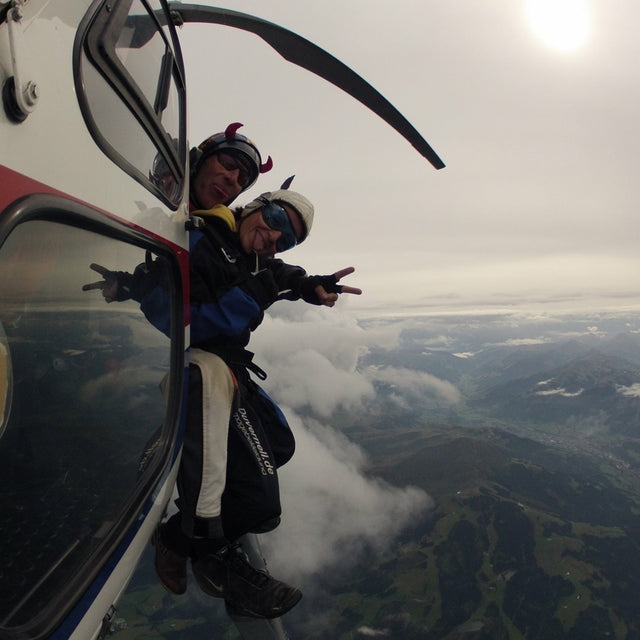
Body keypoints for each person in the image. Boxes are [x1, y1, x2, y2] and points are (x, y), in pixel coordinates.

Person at [84, 125, 361, 619]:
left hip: (229, 370)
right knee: (259, 507)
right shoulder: (196, 233)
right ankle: (209, 551)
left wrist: (310, 284)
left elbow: (279, 274)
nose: (277, 234)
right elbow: (186, 312)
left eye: (289, 236)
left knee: (280, 444)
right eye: (276, 216)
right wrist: (130, 284)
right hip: (201, 367)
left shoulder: (251, 257)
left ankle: (176, 536)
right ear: (255, 207)